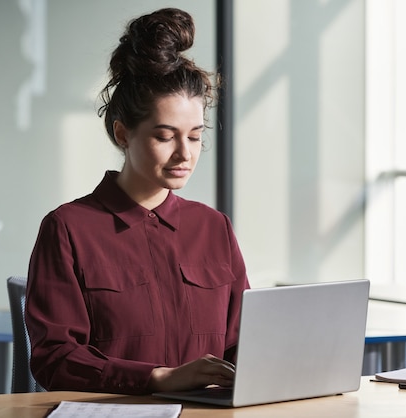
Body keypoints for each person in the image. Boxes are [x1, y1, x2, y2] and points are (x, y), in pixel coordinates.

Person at [26, 7, 250, 395]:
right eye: (165, 136)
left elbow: (243, 343)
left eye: (195, 136)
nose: (185, 154)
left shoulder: (214, 228)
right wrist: (156, 378)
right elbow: (55, 357)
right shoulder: (68, 229)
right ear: (123, 133)